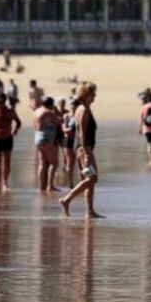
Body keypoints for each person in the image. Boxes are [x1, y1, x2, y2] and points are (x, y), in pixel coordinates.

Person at [60, 82, 102, 218]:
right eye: (92, 94)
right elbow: (82, 133)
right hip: (84, 147)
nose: (94, 96)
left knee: (88, 179)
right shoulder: (83, 109)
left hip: (81, 147)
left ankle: (89, 211)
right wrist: (86, 153)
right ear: (85, 95)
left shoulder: (82, 108)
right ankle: (66, 200)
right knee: (93, 178)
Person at [33, 96, 61, 194]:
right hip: (46, 138)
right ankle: (50, 186)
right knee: (54, 163)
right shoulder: (48, 112)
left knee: (42, 163)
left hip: (37, 137)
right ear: (51, 104)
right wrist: (57, 112)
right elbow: (59, 121)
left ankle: (42, 186)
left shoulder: (36, 111)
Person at [61, 97, 79, 189]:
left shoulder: (79, 115)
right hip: (68, 141)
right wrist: (69, 130)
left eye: (75, 105)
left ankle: (81, 182)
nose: (73, 106)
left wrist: (70, 130)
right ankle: (70, 183)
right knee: (70, 162)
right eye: (72, 105)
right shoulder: (66, 116)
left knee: (79, 161)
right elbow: (64, 129)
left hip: (77, 140)